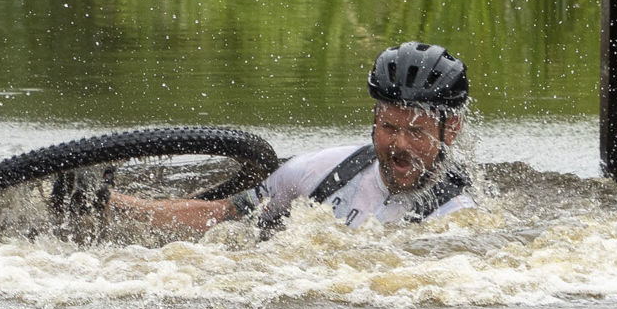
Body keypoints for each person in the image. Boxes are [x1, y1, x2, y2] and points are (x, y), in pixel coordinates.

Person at [110, 42, 475, 234]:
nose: (399, 146)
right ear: (374, 118)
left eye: (416, 132)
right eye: (389, 128)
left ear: (451, 130)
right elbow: (222, 215)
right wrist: (114, 203)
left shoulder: (456, 217)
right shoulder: (320, 170)